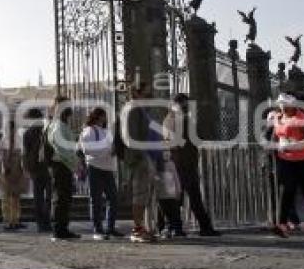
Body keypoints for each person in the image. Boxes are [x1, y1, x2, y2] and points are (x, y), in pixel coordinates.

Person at [162, 94, 220, 236]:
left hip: (181, 163)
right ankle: (176, 227)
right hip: (182, 163)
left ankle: (174, 227)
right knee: (188, 197)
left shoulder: (171, 120)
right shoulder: (179, 120)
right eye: (184, 104)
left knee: (184, 198)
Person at [270, 93, 304, 238]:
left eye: (285, 106)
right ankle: (282, 224)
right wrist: (277, 145)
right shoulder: (277, 116)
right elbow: (276, 135)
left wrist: (294, 145)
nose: (283, 109)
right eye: (280, 106)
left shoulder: (301, 118)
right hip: (285, 159)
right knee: (287, 189)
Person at [123, 83, 160, 243]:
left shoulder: (137, 109)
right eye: (146, 94)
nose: (149, 97)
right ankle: (137, 230)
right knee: (140, 194)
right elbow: (134, 136)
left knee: (143, 194)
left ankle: (141, 227)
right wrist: (143, 157)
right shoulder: (134, 109)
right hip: (140, 157)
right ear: (137, 94)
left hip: (143, 156)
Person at [79, 107, 122, 240]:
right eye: (103, 116)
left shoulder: (106, 131)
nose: (105, 118)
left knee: (113, 198)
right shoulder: (89, 131)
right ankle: (98, 229)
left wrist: (112, 151)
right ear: (98, 116)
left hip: (108, 168)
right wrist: (107, 151)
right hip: (95, 167)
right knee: (96, 200)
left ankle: (110, 228)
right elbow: (87, 149)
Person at [46, 95, 81, 240]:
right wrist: (74, 162)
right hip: (61, 165)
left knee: (64, 198)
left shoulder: (59, 124)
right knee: (61, 197)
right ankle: (58, 229)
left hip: (63, 165)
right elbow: (62, 148)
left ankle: (62, 228)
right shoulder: (58, 125)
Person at [0, 119, 28, 230]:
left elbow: (22, 156)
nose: (13, 130)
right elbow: (2, 157)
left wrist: (23, 169)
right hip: (8, 171)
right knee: (7, 197)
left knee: (16, 197)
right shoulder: (5, 140)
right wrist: (5, 169)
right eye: (11, 128)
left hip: (17, 171)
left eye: (13, 128)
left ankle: (16, 220)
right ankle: (8, 220)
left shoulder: (18, 139)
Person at [22, 107, 52, 232]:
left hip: (35, 168)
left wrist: (27, 168)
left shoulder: (27, 133)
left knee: (38, 197)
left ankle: (41, 223)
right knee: (49, 196)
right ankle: (47, 221)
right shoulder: (47, 130)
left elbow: (25, 153)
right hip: (47, 166)